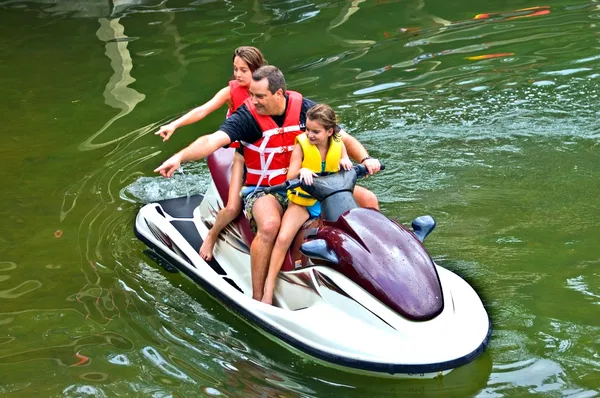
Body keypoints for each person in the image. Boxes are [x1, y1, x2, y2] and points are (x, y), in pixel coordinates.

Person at [154, 65, 381, 301]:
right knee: (270, 224)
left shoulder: (306, 109)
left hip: (310, 185)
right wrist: (180, 156)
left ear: (279, 94)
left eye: (260, 96)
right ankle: (259, 295)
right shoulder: (247, 117)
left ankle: (373, 266)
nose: (253, 101)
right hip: (264, 190)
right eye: (251, 94)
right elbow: (212, 140)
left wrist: (365, 159)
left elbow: (342, 138)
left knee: (368, 199)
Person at [155, 46, 267, 261]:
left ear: (256, 70)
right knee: (233, 207)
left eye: (243, 70)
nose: (237, 74)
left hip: (268, 151)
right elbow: (203, 110)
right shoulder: (231, 92)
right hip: (242, 154)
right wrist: (174, 125)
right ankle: (212, 235)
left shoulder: (268, 89)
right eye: (235, 69)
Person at [261, 104, 352, 305]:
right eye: (307, 129)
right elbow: (290, 175)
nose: (310, 134)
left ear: (329, 131)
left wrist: (346, 162)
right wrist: (302, 171)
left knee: (352, 229)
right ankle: (268, 288)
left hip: (328, 200)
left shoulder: (338, 142)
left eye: (316, 131)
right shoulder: (301, 145)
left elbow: (345, 158)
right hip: (304, 202)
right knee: (283, 237)